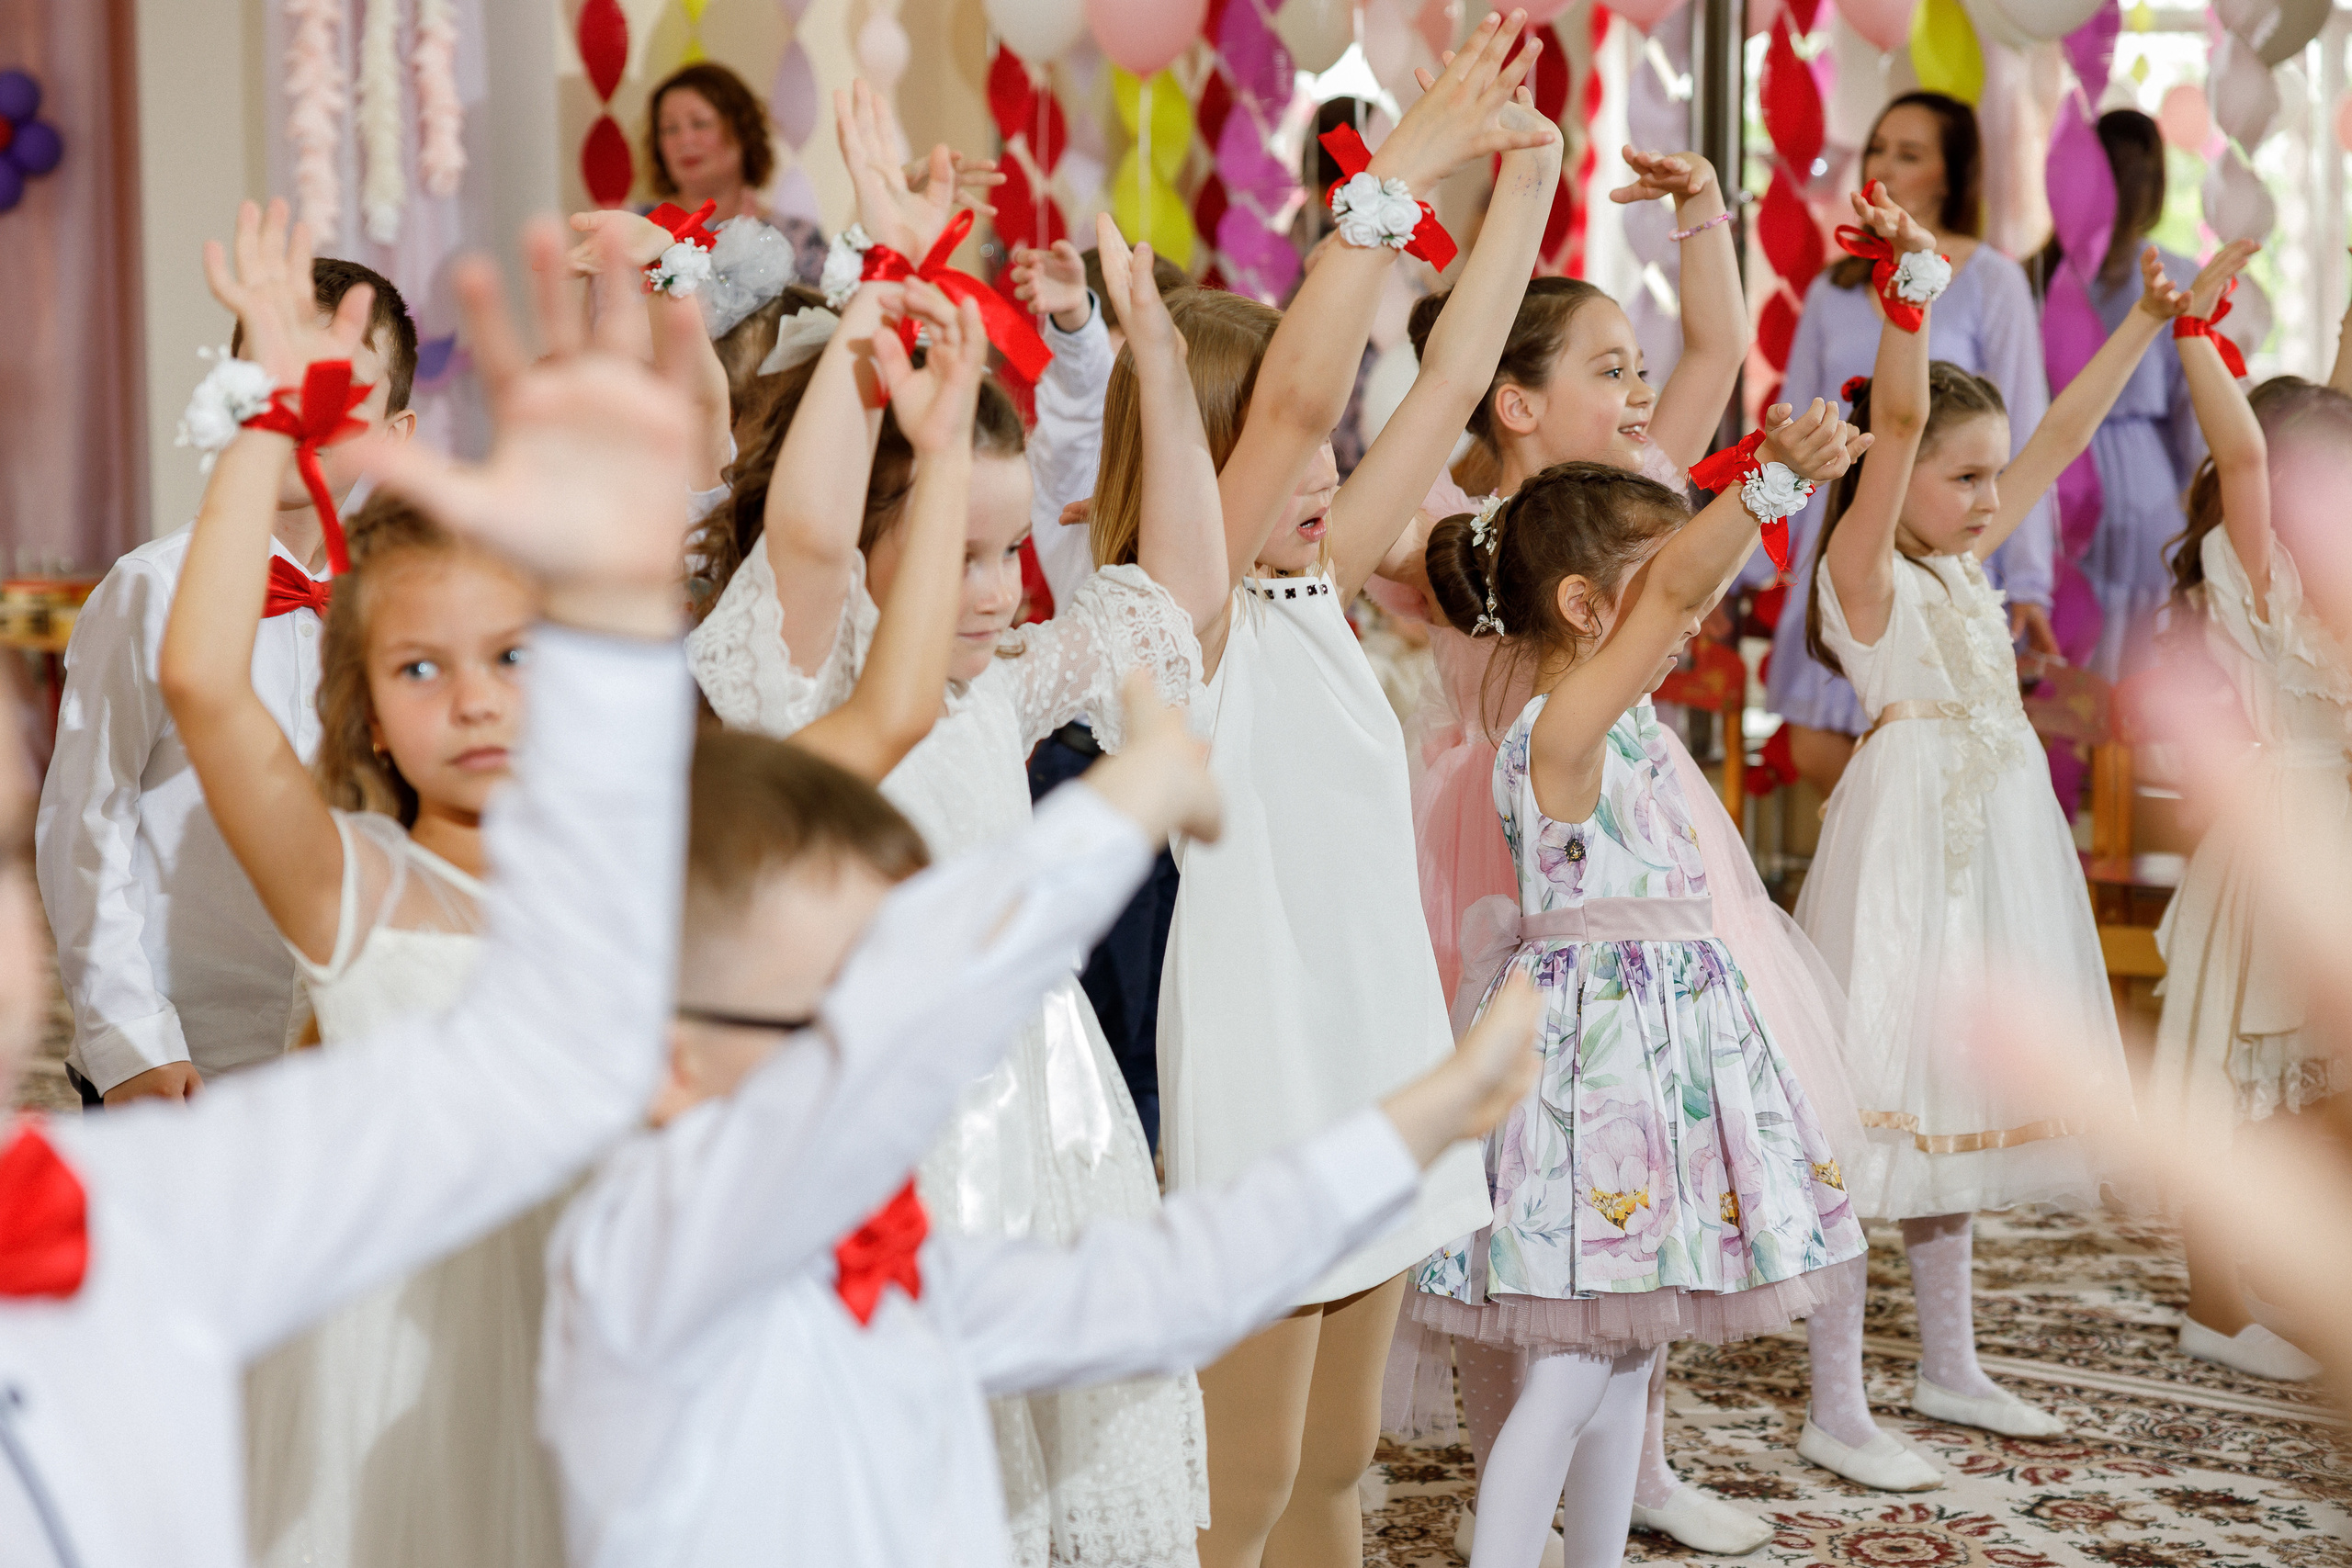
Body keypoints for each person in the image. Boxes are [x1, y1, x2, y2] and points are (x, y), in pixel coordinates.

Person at [0, 217, 699, 1568]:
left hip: (564, 1296)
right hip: (249, 1113)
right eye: (424, 671)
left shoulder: (600, 857)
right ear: (370, 714)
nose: (477, 695)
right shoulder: (347, 867)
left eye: (509, 656)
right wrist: (136, 1047)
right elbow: (101, 812)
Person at [540, 692, 1544, 1568]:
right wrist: (1128, 807)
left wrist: (1423, 1121)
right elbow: (966, 978)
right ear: (669, 1063)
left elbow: (1155, 1289)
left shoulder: (873, 1257)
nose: (881, 1049)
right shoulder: (651, 1257)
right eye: (828, 1019)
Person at [684, 84, 1224, 1568]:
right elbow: (804, 536)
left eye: (1004, 551)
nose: (992, 586)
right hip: (894, 1128)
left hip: (1055, 1111)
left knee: (1084, 1492)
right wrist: (887, 290)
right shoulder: (806, 677)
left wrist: (1154, 357)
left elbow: (1177, 596)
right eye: (954, 549)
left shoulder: (1004, 691)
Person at [1085, 19, 1558, 1566]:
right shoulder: (1180, 624)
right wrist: (1396, 172)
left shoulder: (1313, 594)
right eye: (1274, 454)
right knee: (1249, 1481)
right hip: (1255, 1096)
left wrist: (1528, 181)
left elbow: (1455, 382)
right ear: (1193, 465)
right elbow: (1296, 400)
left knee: (1340, 1462)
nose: (1324, 468)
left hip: (1368, 1065)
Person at [1373, 145, 1846, 1558]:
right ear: (1513, 398)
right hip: (1530, 880)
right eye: (1604, 368)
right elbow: (1679, 583)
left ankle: (1624, 1484)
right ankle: (1511, 1497)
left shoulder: (1624, 506)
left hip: (1642, 902)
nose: (1641, 396)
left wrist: (1705, 208)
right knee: (1533, 1258)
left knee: (1626, 1290)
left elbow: (1710, 355)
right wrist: (1765, 485)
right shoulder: (1469, 548)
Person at [1792, 189, 2235, 1483]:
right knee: (1877, 1115)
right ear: (1901, 473)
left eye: (1995, 478)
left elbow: (2063, 432)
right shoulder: (1865, 571)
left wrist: (2150, 320)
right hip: (1904, 858)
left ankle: (1950, 1358)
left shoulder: (1969, 561)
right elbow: (1903, 418)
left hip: (1991, 850)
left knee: (1954, 1109)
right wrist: (1912, 297)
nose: (1994, 498)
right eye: (1965, 478)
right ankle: (1836, 1397)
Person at [36, 254, 416, 1109]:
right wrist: (129, 1040)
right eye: (279, 388)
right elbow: (86, 821)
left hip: (356, 1057)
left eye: (341, 396)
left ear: (396, 433)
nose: (306, 422)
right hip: (189, 1056)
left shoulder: (412, 608)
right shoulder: (151, 588)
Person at [2148, 362, 2351, 1381]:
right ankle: (2215, 1307)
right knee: (2234, 1088)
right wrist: (2192, 335)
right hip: (2273, 853)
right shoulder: (2258, 587)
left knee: (2320, 1094)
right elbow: (2250, 451)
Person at [1767, 91, 2060, 796]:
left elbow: (2024, 424)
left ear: (1952, 176)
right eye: (1877, 149)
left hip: (1940, 539)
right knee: (1815, 743)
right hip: (1842, 531)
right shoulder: (1832, 288)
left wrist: (2028, 579)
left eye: (1910, 153)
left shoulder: (1992, 279)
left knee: (1925, 741)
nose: (1885, 166)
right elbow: (1788, 421)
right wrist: (1762, 554)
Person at [1009, 236, 1190, 1145]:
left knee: (1175, 1027)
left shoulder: (1209, 503)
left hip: (1182, 781)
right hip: (1088, 771)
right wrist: (1080, 329)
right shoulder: (1085, 476)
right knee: (1107, 1043)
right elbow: (1087, 410)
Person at [2034, 107, 2207, 682]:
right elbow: (2194, 406)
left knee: (2070, 625)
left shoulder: (2035, 272)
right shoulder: (2172, 273)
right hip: (2132, 479)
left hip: (2053, 474)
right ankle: (2116, 765)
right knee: (2131, 643)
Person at [643, 62, 826, 282]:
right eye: (669, 128)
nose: (685, 140)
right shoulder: (635, 229)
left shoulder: (796, 239)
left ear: (742, 132)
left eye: (700, 123)